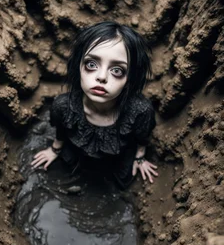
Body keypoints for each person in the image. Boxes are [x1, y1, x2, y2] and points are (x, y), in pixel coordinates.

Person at [31, 21, 158, 189]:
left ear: (129, 80)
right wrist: (55, 149)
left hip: (119, 156)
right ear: (79, 68)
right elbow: (61, 130)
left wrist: (140, 157)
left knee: (123, 181)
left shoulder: (140, 111)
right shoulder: (63, 105)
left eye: (117, 70)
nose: (102, 77)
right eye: (91, 64)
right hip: (77, 152)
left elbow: (142, 136)